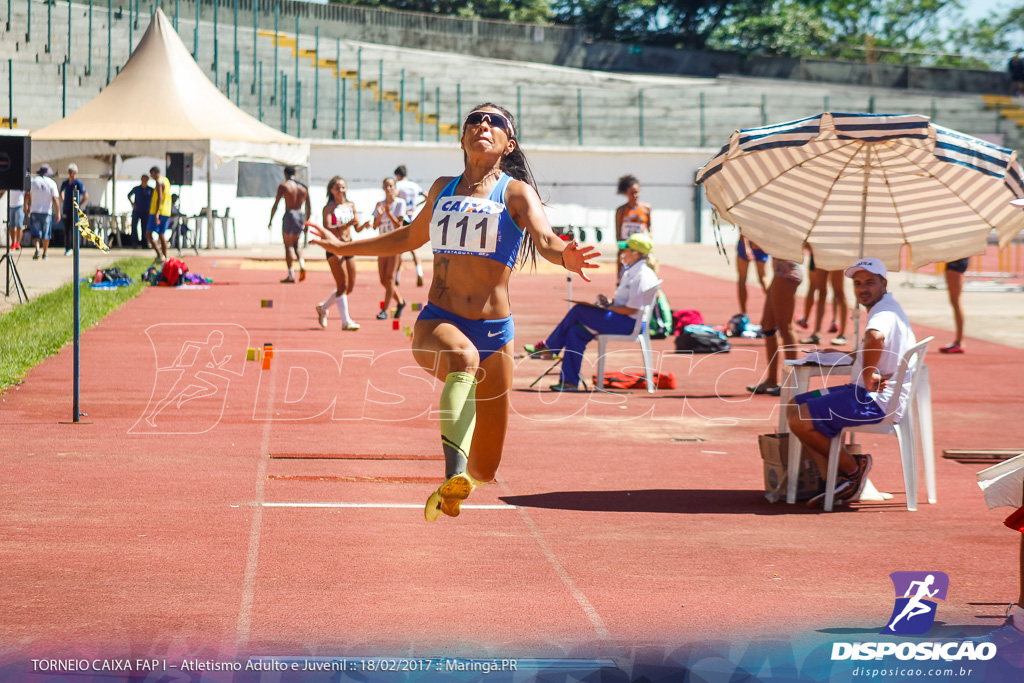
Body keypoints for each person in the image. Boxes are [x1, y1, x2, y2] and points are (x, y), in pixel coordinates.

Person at [308, 103, 599, 522]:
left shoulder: (516, 192)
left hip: (496, 333)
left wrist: (565, 256)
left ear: (508, 144)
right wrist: (342, 247)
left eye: (495, 122)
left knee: (488, 468)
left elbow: (547, 238)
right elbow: (409, 236)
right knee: (464, 359)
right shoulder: (443, 188)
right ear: (462, 138)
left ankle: (462, 482)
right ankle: (452, 476)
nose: (483, 125)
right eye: (475, 120)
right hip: (439, 322)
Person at [786, 257, 917, 508]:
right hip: (862, 393)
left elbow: (876, 337)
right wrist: (847, 355)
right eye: (858, 284)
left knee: (800, 417)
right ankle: (834, 481)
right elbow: (876, 345)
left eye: (869, 282)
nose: (863, 289)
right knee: (796, 404)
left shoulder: (884, 313)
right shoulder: (888, 308)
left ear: (883, 283)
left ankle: (853, 468)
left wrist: (867, 377)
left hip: (875, 401)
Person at [524, 233, 660, 391]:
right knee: (575, 332)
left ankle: (549, 347)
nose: (622, 253)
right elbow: (626, 304)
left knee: (579, 310)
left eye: (626, 250)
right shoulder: (634, 270)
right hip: (624, 319)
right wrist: (608, 303)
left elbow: (631, 309)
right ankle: (569, 382)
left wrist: (607, 308)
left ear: (635, 253)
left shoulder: (641, 275)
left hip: (629, 323)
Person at [747, 257, 803, 396]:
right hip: (780, 271)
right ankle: (771, 380)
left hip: (787, 272)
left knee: (785, 327)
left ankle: (791, 382)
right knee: (768, 326)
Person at [315, 176, 362, 331]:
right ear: (331, 190)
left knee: (349, 287)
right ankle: (346, 321)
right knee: (342, 285)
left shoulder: (350, 205)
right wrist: (345, 225)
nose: (341, 191)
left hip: (349, 246)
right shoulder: (329, 208)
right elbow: (327, 228)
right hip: (335, 247)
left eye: (343, 187)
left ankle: (323, 307)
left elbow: (356, 227)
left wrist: (366, 225)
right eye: (337, 188)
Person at [364, 177, 408, 320]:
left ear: (395, 188)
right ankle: (400, 301)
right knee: (383, 279)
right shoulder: (380, 204)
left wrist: (388, 213)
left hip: (395, 244)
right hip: (382, 243)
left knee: (389, 278)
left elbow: (398, 225)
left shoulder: (400, 203)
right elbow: (376, 225)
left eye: (391, 186)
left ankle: (384, 310)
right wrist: (381, 213)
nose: (388, 189)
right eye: (386, 186)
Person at [267, 165, 311, 283]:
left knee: (288, 246)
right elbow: (308, 207)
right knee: (297, 245)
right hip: (300, 215)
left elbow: (276, 204)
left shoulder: (284, 186)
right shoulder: (303, 188)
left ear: (285, 174)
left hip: (290, 214)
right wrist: (306, 222)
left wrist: (270, 220)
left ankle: (291, 274)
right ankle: (302, 264)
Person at [394, 164, 426, 287]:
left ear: (397, 175)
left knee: (399, 250)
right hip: (412, 218)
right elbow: (427, 196)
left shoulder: (398, 186)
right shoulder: (414, 185)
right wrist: (416, 206)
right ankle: (420, 272)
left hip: (401, 218)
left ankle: (396, 278)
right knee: (414, 249)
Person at [615, 174, 651, 278]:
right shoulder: (621, 211)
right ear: (625, 193)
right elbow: (618, 231)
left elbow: (650, 227)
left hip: (640, 247)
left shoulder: (646, 208)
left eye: (637, 192)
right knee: (624, 273)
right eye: (632, 193)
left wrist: (650, 238)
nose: (635, 195)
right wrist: (620, 247)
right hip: (627, 246)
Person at [24, 164, 61, 260]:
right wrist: (58, 212)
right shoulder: (51, 183)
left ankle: (37, 250)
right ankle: (45, 252)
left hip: (35, 210)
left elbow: (27, 194)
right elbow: (55, 199)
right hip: (46, 211)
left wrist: (26, 205)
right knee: (46, 233)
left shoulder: (33, 181)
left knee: (36, 233)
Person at [795, 250, 829, 345]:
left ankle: (817, 331)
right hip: (818, 252)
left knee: (822, 291)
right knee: (814, 288)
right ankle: (806, 320)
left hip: (826, 253)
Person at [59, 163, 88, 256]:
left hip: (74, 209)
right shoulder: (65, 182)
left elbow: (85, 195)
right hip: (66, 208)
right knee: (67, 228)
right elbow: (61, 192)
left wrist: (79, 204)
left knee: (74, 228)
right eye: (70, 172)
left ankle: (74, 246)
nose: (72, 174)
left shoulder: (78, 183)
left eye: (73, 173)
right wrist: (63, 200)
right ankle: (67, 247)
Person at [940, 258, 967, 354]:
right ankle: (959, 341)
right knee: (955, 303)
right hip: (955, 261)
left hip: (956, 262)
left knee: (956, 303)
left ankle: (959, 341)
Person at [735, 236, 768, 315]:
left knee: (743, 278)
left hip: (750, 244)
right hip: (760, 244)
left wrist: (747, 248)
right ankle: (743, 313)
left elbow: (743, 229)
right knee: (763, 278)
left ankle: (743, 313)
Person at [146, 166, 172, 263]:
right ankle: (165, 257)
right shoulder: (166, 180)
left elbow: (160, 197)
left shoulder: (159, 182)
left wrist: (157, 213)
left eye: (151, 174)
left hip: (158, 212)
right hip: (166, 211)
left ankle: (160, 255)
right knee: (162, 234)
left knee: (148, 233)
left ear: (154, 173)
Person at [127, 174, 152, 248]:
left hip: (146, 211)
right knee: (134, 226)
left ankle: (144, 243)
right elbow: (129, 195)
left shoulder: (150, 189)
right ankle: (135, 243)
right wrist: (132, 203)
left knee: (144, 227)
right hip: (137, 210)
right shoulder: (137, 188)